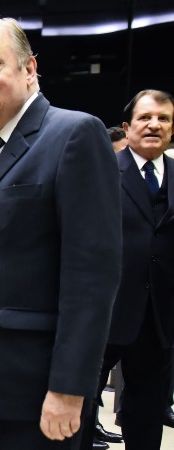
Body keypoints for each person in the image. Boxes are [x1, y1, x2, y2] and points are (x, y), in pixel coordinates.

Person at [0, 17, 122, 450]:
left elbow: (92, 276)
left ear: (29, 68)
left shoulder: (74, 134)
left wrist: (70, 388)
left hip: (33, 395)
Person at [80, 89, 174, 450]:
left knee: (147, 411)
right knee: (83, 400)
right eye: (145, 118)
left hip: (159, 316)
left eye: (163, 118)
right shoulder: (101, 172)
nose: (154, 125)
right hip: (106, 309)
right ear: (127, 126)